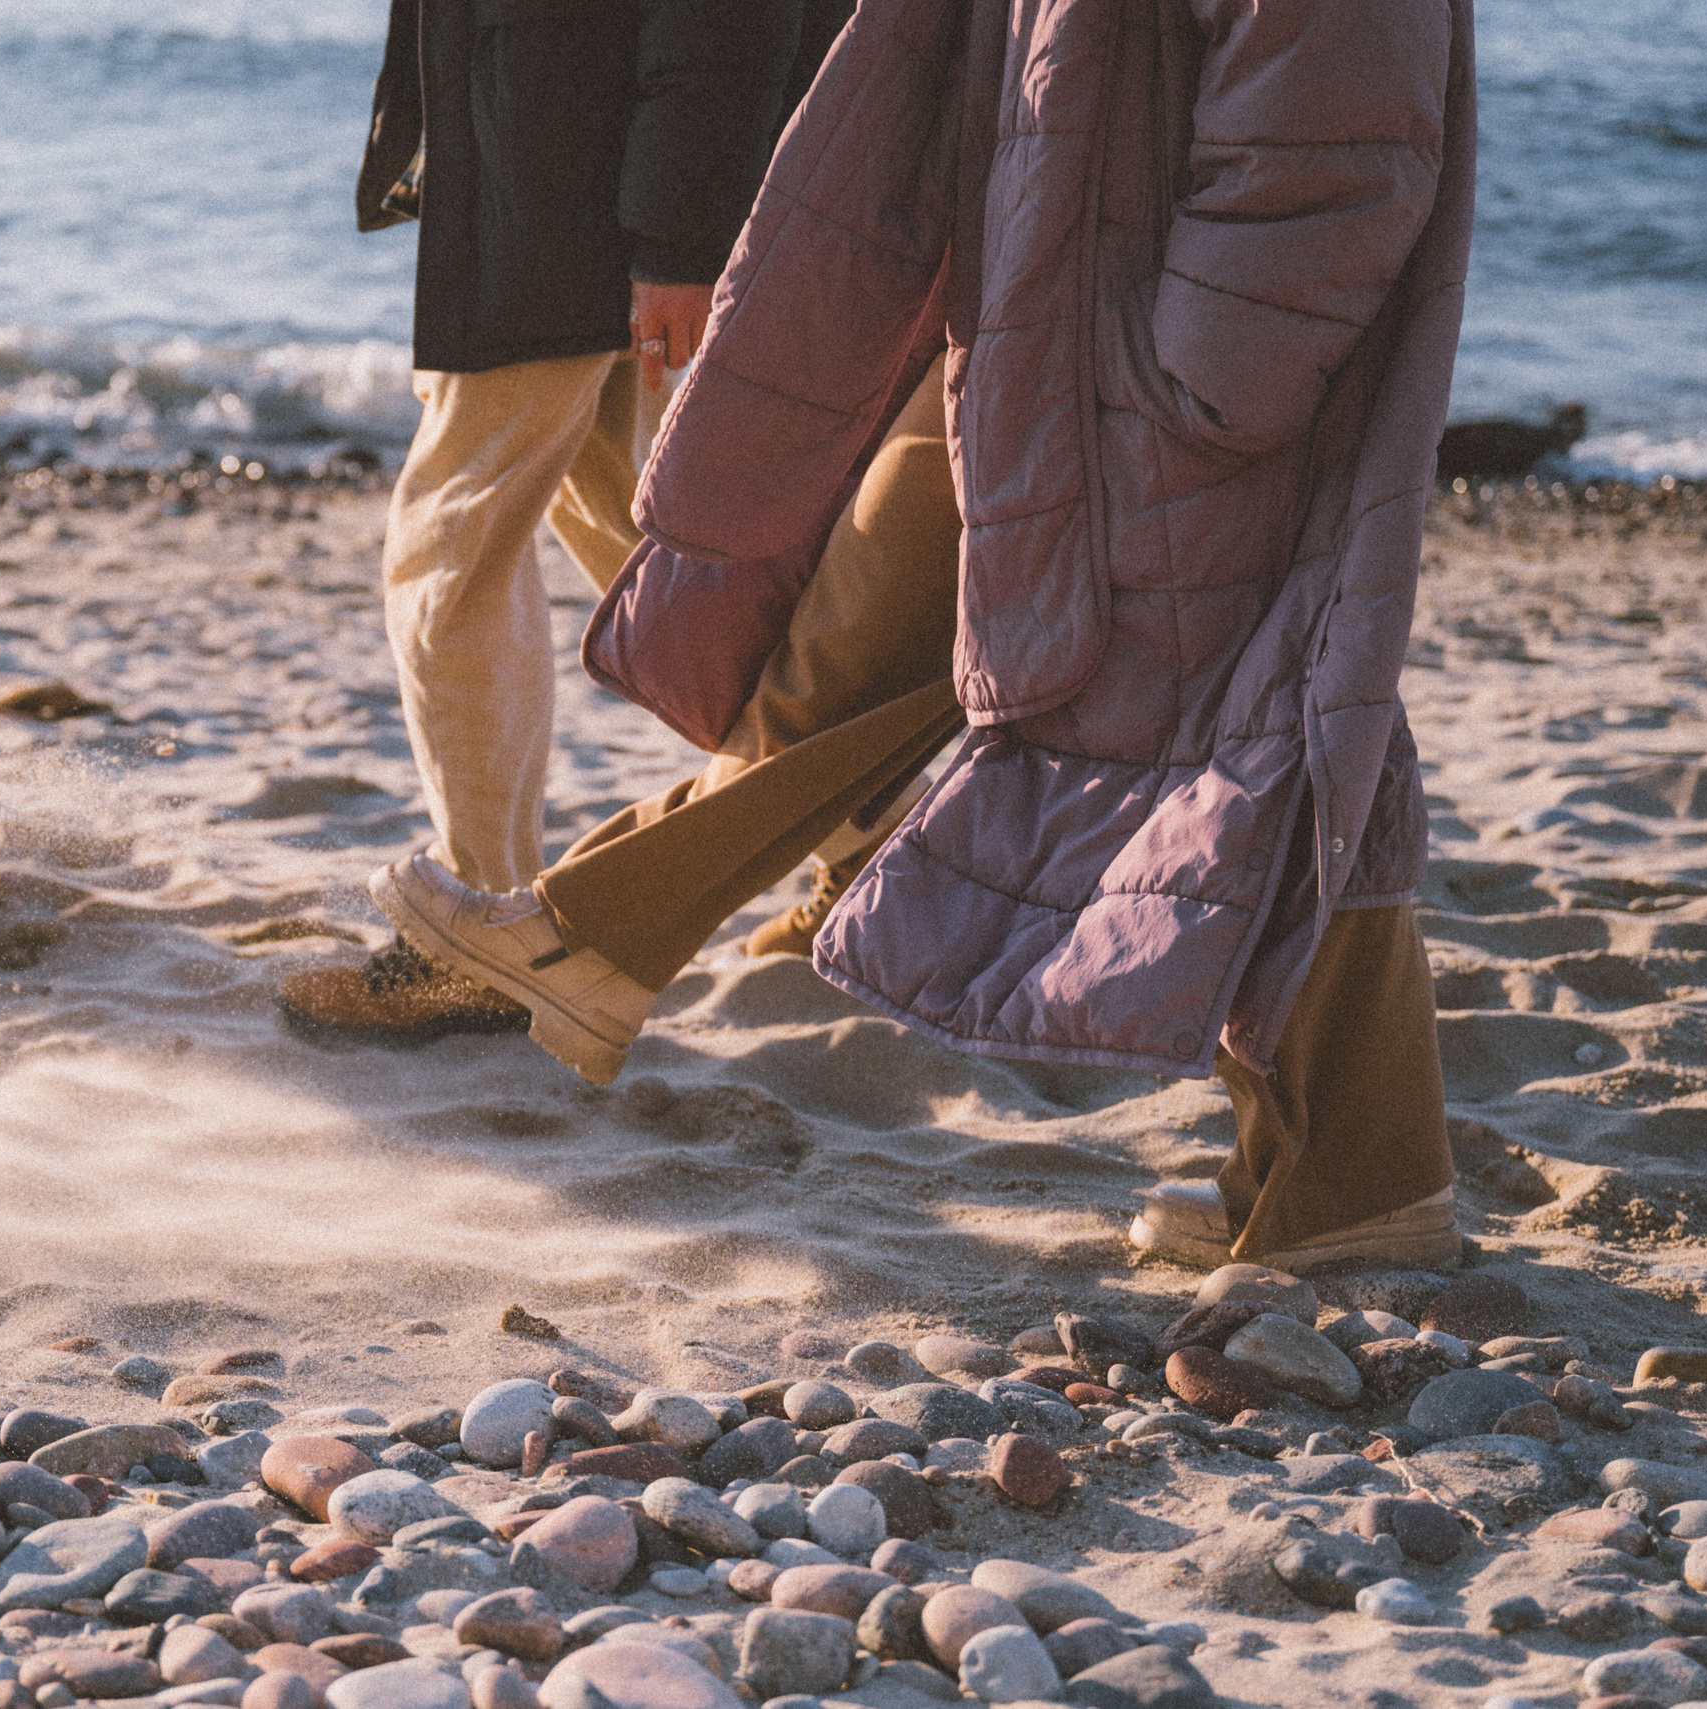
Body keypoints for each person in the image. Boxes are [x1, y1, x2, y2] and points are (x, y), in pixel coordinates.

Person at [371, 0, 1481, 1276]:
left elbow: (1331, 136)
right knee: (932, 620)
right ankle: (597, 934)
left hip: (1167, 374)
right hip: (1042, 312)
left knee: (1270, 727)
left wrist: (1199, 377)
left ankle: (1359, 1178)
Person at [277, 0, 852, 1042]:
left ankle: (475, 932)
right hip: (560, 179)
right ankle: (864, 834)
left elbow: (723, 24)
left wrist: (676, 236)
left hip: (568, 202)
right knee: (655, 559)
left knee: (448, 553)